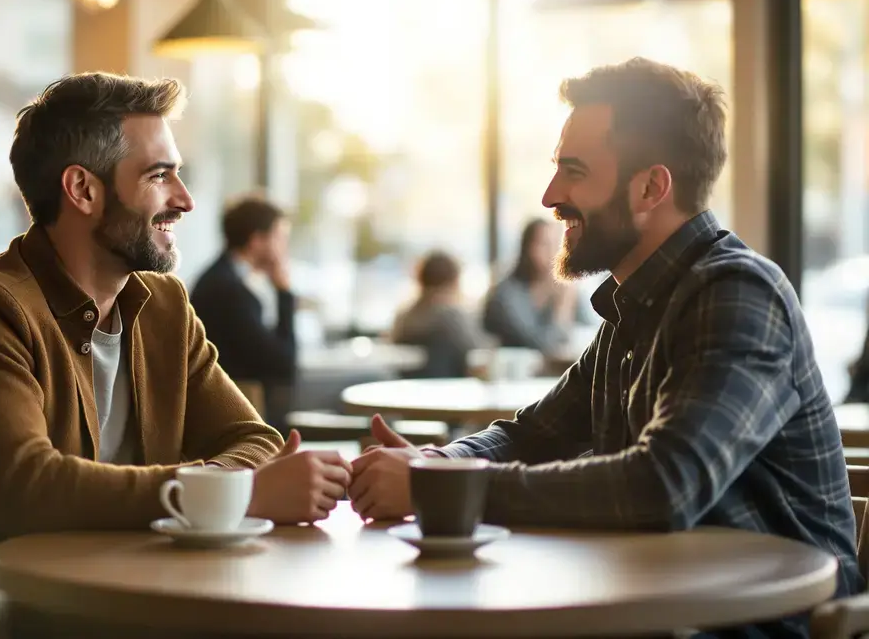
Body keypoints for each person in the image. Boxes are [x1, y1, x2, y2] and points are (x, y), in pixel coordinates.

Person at [349, 57, 861, 637]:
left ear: (650, 186)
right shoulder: (635, 304)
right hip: (663, 603)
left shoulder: (737, 293)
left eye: (573, 171)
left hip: (763, 624)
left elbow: (663, 487)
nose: (549, 195)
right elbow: (531, 434)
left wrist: (439, 491)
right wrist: (439, 463)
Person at [0, 72, 351, 549]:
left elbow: (255, 439)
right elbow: (29, 489)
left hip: (138, 594)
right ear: (83, 189)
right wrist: (232, 493)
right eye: (159, 175)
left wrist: (222, 488)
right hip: (10, 612)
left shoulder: (165, 307)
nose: (184, 200)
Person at [191, 196, 297, 427]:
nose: (285, 248)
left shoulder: (224, 278)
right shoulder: (228, 289)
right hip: (228, 418)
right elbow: (282, 363)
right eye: (280, 238)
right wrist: (284, 293)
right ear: (257, 241)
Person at [482, 218, 581, 355]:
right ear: (527, 248)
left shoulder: (562, 287)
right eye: (545, 245)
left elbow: (590, 332)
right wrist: (563, 307)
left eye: (557, 245)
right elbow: (541, 346)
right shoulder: (505, 296)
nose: (553, 253)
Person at [390, 250, 479, 378]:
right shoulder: (453, 317)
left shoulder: (404, 317)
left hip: (407, 392)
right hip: (450, 390)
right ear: (455, 281)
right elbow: (476, 353)